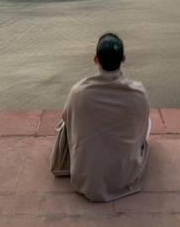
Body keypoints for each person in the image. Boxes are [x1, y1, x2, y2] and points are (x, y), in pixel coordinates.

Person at [50, 33, 151, 202]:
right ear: (123, 58)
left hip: (85, 179)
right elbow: (140, 129)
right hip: (123, 177)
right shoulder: (138, 94)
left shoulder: (79, 93)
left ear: (96, 59)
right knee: (146, 123)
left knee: (70, 122)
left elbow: (67, 121)